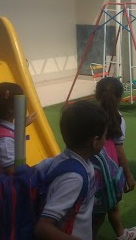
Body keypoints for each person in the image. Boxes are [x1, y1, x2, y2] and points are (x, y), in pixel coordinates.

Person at [35, 101, 109, 240]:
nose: (106, 140)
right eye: (105, 135)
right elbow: (43, 227)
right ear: (94, 141)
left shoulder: (65, 159)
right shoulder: (73, 178)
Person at [92, 78, 136, 240]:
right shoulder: (118, 119)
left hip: (88, 170)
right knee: (109, 208)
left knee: (95, 212)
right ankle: (120, 235)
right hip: (108, 173)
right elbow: (119, 150)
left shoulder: (89, 114)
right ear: (120, 97)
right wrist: (129, 175)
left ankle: (121, 234)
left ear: (96, 96)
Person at [0, 82, 37, 177]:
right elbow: (19, 176)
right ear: (12, 109)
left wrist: (20, 126)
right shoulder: (4, 142)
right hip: (7, 190)